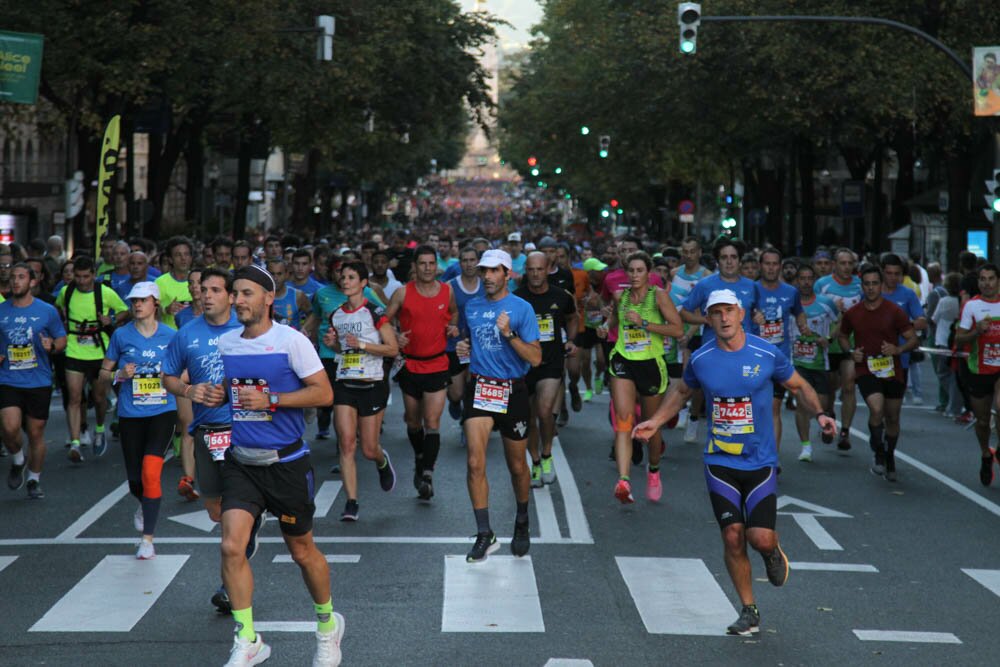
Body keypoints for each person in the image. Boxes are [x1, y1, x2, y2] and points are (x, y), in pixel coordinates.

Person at [633, 288, 836, 636]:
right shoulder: (702, 357)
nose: (724, 318)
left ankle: (771, 553)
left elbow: (799, 386)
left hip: (759, 460)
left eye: (729, 311)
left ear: (741, 314)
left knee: (760, 538)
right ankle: (748, 608)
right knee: (731, 535)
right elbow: (682, 391)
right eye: (716, 313)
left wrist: (820, 415)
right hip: (719, 460)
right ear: (709, 319)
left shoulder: (765, 353)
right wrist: (657, 421)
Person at [213, 265, 340, 666]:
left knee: (303, 551)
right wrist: (210, 393)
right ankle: (249, 638)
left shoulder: (292, 341)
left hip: (286, 463)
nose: (238, 301)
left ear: (269, 298)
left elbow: (323, 394)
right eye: (235, 293)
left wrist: (273, 401)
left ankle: (327, 625)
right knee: (232, 545)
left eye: (247, 293)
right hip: (241, 461)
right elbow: (227, 394)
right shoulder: (227, 343)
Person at [162, 267, 247, 612]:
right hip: (207, 432)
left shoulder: (245, 329)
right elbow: (168, 376)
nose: (207, 295)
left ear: (230, 296)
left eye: (215, 289)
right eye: (203, 289)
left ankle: (230, 583)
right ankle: (244, 533)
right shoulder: (187, 332)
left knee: (236, 516)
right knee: (216, 511)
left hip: (244, 431)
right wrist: (187, 389)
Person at [455, 249, 541, 562]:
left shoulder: (522, 308)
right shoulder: (472, 306)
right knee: (475, 462)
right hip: (480, 388)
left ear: (507, 274)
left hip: (513, 391)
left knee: (517, 466)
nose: (488, 277)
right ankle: (484, 533)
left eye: (494, 271)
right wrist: (463, 346)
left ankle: (521, 520)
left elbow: (535, 358)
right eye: (484, 271)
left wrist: (509, 334)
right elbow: (469, 342)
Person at [99, 282, 177, 559]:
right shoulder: (121, 336)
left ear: (155, 303)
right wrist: (120, 374)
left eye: (142, 300)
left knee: (151, 471)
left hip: (163, 411)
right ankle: (145, 503)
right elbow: (103, 374)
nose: (136, 305)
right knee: (135, 480)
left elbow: (184, 372)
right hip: (131, 413)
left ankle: (147, 540)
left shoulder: (171, 335)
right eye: (133, 301)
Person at [600, 251, 684, 503]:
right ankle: (624, 480)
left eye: (639, 270)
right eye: (631, 271)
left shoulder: (657, 297)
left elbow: (677, 329)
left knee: (650, 425)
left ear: (649, 273)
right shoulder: (621, 297)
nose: (635, 275)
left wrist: (645, 324)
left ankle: (654, 470)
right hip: (623, 361)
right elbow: (615, 320)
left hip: (650, 364)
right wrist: (606, 327)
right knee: (624, 421)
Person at [326, 261, 399, 520]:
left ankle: (381, 461)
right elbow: (342, 349)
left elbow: (392, 349)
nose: (345, 281)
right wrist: (333, 344)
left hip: (372, 383)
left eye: (351, 277)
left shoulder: (375, 312)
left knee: (368, 449)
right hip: (345, 381)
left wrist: (364, 345)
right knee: (346, 444)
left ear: (363, 283)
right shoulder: (336, 315)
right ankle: (352, 502)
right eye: (343, 277)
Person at [385, 246, 456, 500]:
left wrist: (453, 326)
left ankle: (427, 473)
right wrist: (395, 335)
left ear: (437, 265)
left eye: (431, 263)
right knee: (413, 422)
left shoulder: (447, 291)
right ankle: (419, 455)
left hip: (437, 364)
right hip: (410, 365)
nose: (427, 268)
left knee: (433, 422)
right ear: (415, 266)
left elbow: (454, 313)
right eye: (422, 263)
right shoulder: (403, 293)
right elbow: (384, 319)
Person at [838, 265, 919, 482]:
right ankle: (879, 452)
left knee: (892, 417)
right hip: (866, 368)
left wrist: (899, 349)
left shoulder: (894, 311)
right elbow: (843, 336)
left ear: (881, 285)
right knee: (876, 408)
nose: (871, 288)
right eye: (867, 284)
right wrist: (850, 351)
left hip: (893, 370)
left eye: (875, 283)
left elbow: (913, 338)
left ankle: (889, 454)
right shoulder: (854, 313)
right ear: (862, 286)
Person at [680, 238, 759, 445]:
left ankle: (741, 443)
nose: (729, 262)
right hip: (714, 352)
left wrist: (759, 319)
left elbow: (757, 317)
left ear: (740, 261)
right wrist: (705, 319)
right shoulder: (706, 285)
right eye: (724, 257)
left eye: (733, 257)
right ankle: (712, 435)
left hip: (745, 354)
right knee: (718, 401)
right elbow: (685, 312)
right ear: (717, 261)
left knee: (744, 404)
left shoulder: (752, 286)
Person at [0, 263, 67, 499]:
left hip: (38, 379)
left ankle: (34, 479)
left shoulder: (47, 311)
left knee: (36, 432)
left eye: (21, 277)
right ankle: (18, 460)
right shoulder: (1, 311)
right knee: (9, 427)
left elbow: (61, 339)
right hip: (8, 377)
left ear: (33, 282)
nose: (15, 281)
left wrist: (53, 346)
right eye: (12, 278)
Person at [56, 255, 129, 461]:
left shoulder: (104, 292)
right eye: (77, 276)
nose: (81, 281)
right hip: (74, 350)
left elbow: (125, 310)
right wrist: (61, 325)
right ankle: (76, 442)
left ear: (93, 275)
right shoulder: (66, 291)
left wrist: (112, 319)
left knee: (98, 398)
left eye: (86, 276)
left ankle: (98, 429)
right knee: (74, 397)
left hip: (99, 353)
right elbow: (57, 308)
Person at [515, 252, 578, 487]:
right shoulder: (517, 298)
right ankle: (534, 461)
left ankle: (547, 454)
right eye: (531, 270)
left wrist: (571, 340)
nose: (535, 274)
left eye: (539, 269)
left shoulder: (561, 296)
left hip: (551, 362)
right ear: (526, 271)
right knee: (529, 418)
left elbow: (572, 318)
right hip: (524, 365)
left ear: (547, 269)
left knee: (544, 412)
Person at [755, 248, 809, 458]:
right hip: (754, 358)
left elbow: (799, 312)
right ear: (761, 266)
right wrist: (753, 317)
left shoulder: (790, 292)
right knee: (754, 410)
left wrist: (803, 325)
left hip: (779, 359)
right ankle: (755, 451)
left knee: (773, 409)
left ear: (780, 266)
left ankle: (771, 460)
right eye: (767, 263)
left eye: (775, 263)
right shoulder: (751, 289)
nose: (771, 267)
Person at [954, 264, 1000, 486]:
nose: (987, 283)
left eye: (991, 278)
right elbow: (960, 339)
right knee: (982, 421)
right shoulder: (972, 306)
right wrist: (976, 331)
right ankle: (985, 454)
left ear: (998, 281)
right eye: (982, 279)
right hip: (978, 368)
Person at [789, 263, 838, 462]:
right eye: (802, 278)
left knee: (822, 404)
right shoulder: (790, 305)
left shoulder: (826, 303)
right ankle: (806, 447)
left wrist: (829, 339)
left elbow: (841, 321)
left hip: (820, 364)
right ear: (796, 281)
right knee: (802, 405)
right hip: (798, 364)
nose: (806, 282)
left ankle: (822, 417)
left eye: (810, 278)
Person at [815, 248, 863, 450]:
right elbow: (814, 309)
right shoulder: (822, 284)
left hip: (849, 344)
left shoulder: (861, 285)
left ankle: (845, 432)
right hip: (828, 345)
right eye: (842, 263)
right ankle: (829, 416)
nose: (846, 267)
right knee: (829, 391)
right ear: (834, 264)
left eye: (850, 263)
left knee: (849, 386)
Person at [445, 247, 485, 425]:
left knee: (474, 387)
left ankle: (468, 422)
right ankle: (454, 402)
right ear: (459, 263)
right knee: (457, 392)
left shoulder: (486, 285)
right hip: (454, 345)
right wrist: (449, 326)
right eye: (465, 260)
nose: (469, 264)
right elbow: (441, 314)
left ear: (478, 262)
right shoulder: (450, 287)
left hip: (480, 346)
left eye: (472, 260)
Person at [155, 236, 194, 330]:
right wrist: (166, 310)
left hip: (194, 336)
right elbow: (151, 312)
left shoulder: (200, 280)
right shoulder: (160, 282)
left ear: (191, 258)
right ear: (170, 259)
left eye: (186, 254)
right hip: (169, 337)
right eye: (178, 255)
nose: (183, 258)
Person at [267, 258, 310, 330]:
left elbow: (312, 314)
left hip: (292, 340)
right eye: (272, 274)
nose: (275, 278)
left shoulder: (297, 295)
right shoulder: (261, 296)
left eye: (279, 274)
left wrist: (304, 327)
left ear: (286, 274)